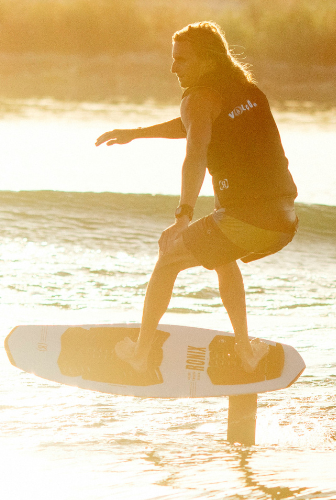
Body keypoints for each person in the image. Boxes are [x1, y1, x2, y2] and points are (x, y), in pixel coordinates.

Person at [95, 21, 298, 373]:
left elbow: (196, 153)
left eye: (182, 60)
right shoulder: (247, 92)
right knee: (221, 253)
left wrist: (182, 215)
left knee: (169, 255)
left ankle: (141, 354)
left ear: (207, 60)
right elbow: (194, 124)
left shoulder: (199, 98)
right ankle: (245, 350)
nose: (173, 68)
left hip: (248, 220)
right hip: (283, 220)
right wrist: (137, 134)